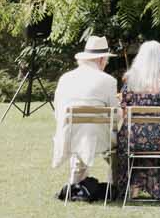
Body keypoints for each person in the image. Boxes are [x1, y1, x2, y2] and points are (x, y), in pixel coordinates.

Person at [51, 35, 119, 199]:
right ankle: (116, 184)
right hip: (98, 137)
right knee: (118, 141)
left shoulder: (65, 78)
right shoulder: (108, 81)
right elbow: (115, 115)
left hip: (67, 134)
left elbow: (58, 110)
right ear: (101, 59)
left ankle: (75, 182)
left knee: (82, 133)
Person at [112, 40, 160, 204]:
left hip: (133, 138)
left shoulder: (130, 81)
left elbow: (124, 107)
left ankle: (132, 186)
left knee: (130, 138)